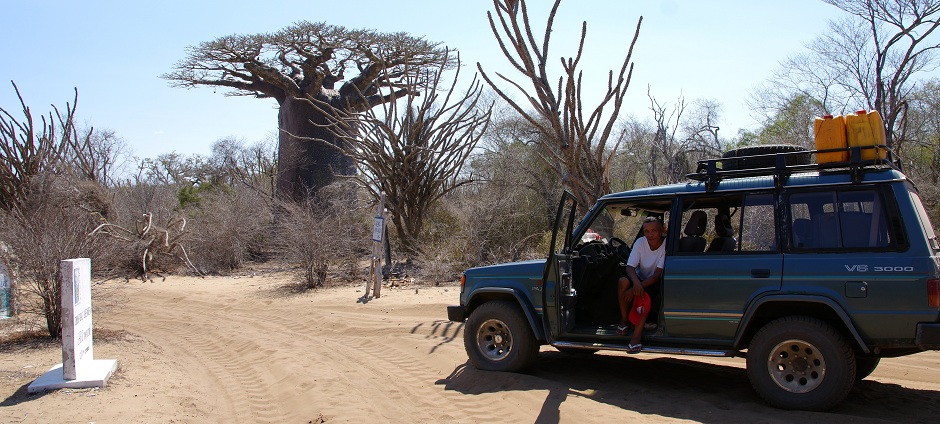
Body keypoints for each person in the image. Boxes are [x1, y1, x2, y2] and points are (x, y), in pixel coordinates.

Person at [616, 216, 666, 353]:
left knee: (643, 296)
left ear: (662, 230)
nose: (650, 235)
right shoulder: (640, 242)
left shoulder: (666, 245)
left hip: (654, 281)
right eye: (647, 231)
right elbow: (630, 267)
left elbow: (657, 275)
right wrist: (636, 284)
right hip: (639, 278)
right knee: (623, 281)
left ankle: (636, 337)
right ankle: (625, 321)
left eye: (654, 230)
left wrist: (636, 289)